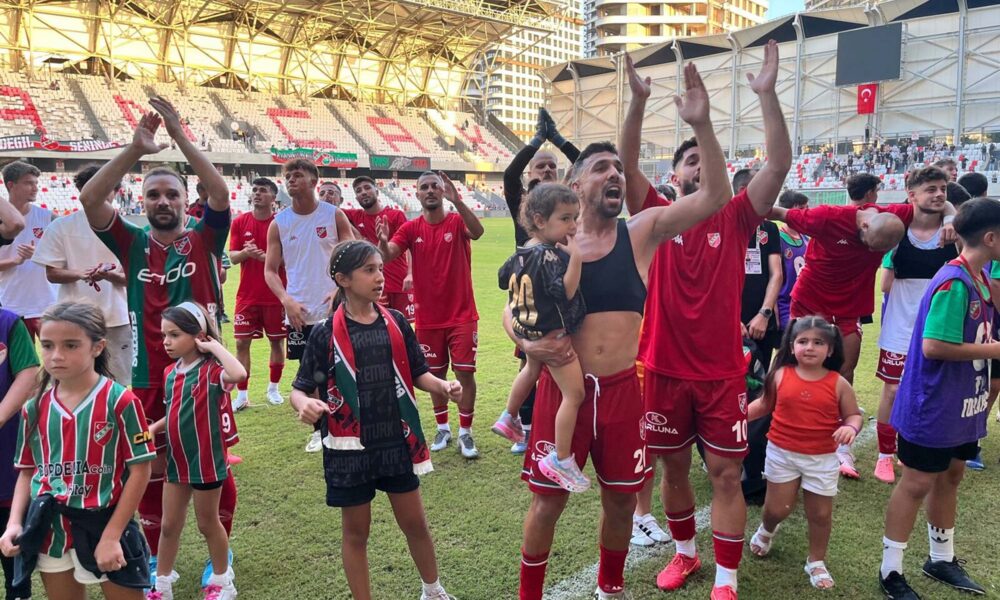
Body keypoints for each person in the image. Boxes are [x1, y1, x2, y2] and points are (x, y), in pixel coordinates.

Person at [513, 58, 734, 600]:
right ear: (573, 185)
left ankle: (609, 588)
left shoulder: (642, 232)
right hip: (560, 391)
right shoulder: (546, 246)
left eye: (618, 168)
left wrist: (702, 124)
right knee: (547, 502)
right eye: (601, 168)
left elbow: (715, 198)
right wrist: (522, 340)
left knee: (619, 501)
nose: (614, 174)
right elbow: (513, 310)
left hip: (618, 394)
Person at [622, 42, 792, 599]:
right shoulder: (654, 215)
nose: (698, 165)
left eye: (706, 157)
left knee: (725, 473)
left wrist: (765, 94)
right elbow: (627, 167)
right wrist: (637, 104)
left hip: (720, 372)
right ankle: (686, 555)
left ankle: (726, 579)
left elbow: (778, 165)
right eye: (689, 159)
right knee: (672, 471)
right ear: (673, 175)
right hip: (662, 368)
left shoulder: (739, 216)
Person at [78, 97, 238, 588]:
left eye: (172, 194)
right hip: (148, 375)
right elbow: (90, 200)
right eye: (153, 195)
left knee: (213, 467)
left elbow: (219, 192)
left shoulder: (205, 238)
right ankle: (154, 560)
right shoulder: (131, 242)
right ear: (142, 202)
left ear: (185, 201)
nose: (163, 202)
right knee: (149, 465)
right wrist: (135, 149)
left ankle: (220, 559)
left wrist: (179, 135)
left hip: (203, 375)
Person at [289, 241, 459, 600]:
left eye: (380, 268)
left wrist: (442, 386)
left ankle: (433, 590)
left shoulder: (395, 322)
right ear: (343, 279)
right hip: (348, 448)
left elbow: (418, 373)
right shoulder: (324, 333)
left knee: (416, 524)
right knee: (356, 533)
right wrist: (304, 404)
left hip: (395, 440)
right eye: (369, 270)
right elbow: (300, 388)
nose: (380, 277)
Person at [768, 172, 950, 478]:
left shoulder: (897, 214)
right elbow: (773, 211)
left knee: (845, 369)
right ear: (864, 227)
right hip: (810, 302)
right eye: (869, 245)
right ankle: (774, 422)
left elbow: (941, 203)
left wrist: (951, 219)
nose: (871, 253)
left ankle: (841, 445)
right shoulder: (826, 217)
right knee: (790, 365)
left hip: (850, 308)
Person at [878, 198, 1000, 600]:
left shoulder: (980, 278)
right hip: (932, 403)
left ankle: (940, 558)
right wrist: (995, 350)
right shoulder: (955, 282)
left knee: (951, 475)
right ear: (991, 238)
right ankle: (890, 570)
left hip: (962, 402)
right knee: (916, 482)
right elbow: (933, 346)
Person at [0, 302, 155, 600]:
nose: (56, 355)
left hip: (105, 524)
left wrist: (112, 535)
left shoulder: (121, 401)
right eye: (48, 345)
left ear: (98, 347)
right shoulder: (33, 408)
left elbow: (141, 470)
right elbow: (28, 472)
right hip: (51, 530)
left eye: (70, 345)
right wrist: (15, 522)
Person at [746, 317, 862, 590]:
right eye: (803, 341)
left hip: (821, 458)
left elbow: (853, 415)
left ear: (830, 349)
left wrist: (850, 428)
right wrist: (734, 419)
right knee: (777, 508)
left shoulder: (838, 383)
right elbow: (763, 405)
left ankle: (816, 560)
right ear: (791, 346)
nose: (810, 347)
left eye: (818, 342)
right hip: (782, 454)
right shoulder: (779, 375)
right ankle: (767, 529)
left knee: (820, 514)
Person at [377, 171, 484, 459]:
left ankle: (465, 432)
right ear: (417, 194)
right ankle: (442, 428)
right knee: (435, 375)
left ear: (442, 190)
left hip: (462, 314)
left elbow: (478, 232)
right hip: (428, 319)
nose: (430, 190)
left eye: (435, 186)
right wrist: (382, 242)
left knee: (464, 373)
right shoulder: (411, 228)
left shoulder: (456, 221)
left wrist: (458, 201)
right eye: (424, 187)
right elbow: (387, 255)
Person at [148, 302, 245, 600]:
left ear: (198, 336)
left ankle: (222, 582)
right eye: (164, 335)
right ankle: (162, 585)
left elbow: (239, 373)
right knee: (169, 526)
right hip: (177, 462)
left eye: (175, 335)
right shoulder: (169, 373)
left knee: (207, 524)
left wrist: (213, 346)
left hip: (206, 462)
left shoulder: (213, 372)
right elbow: (175, 412)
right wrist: (153, 429)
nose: (167, 342)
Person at [495, 183, 587, 492]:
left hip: (528, 328)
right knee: (574, 395)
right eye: (565, 218)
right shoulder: (549, 256)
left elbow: (501, 279)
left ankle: (508, 415)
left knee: (530, 370)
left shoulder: (521, 252)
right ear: (539, 220)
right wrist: (576, 258)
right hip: (552, 335)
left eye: (575, 218)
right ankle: (561, 458)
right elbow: (566, 291)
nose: (573, 226)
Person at [503, 108, 580, 454]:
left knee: (557, 363)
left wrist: (558, 139)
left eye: (552, 166)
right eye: (541, 166)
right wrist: (537, 140)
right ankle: (527, 426)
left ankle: (543, 427)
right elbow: (510, 174)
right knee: (531, 361)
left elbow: (583, 163)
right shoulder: (526, 207)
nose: (547, 169)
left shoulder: (566, 207)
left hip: (560, 290)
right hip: (535, 294)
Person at [873, 167, 957, 484]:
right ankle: (884, 455)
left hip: (939, 326)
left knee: (933, 389)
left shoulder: (954, 233)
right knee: (893, 390)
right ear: (912, 195)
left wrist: (951, 217)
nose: (939, 195)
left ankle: (918, 447)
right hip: (900, 325)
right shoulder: (898, 232)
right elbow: (885, 283)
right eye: (931, 189)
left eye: (943, 189)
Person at [264, 159, 353, 453]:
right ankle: (319, 430)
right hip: (299, 313)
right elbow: (270, 270)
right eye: (288, 175)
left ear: (314, 181)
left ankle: (350, 422)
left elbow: (352, 255)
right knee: (311, 374)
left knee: (344, 368)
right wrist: (286, 300)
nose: (291, 179)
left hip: (335, 309)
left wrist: (339, 290)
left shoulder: (333, 215)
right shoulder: (279, 223)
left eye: (297, 175)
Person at [32, 165, 133, 384]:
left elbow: (133, 277)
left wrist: (110, 276)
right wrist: (80, 273)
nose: (100, 194)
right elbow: (52, 273)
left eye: (106, 188)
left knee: (116, 382)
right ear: (82, 192)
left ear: (116, 191)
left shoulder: (128, 229)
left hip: (116, 317)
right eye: (94, 188)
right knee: (68, 380)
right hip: (72, 317)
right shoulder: (61, 227)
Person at [229, 177, 286, 409]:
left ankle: (273, 389)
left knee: (277, 342)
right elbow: (233, 257)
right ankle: (242, 395)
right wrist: (247, 253)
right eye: (254, 190)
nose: (257, 193)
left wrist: (266, 259)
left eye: (262, 190)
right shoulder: (240, 222)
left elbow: (290, 259)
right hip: (247, 296)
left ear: (273, 197)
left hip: (275, 295)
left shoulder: (282, 223)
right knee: (241, 343)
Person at [0, 305, 38, 600]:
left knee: (12, 542)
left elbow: (27, 373)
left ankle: (19, 593)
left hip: (6, 449)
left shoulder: (8, 323)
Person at [344, 176, 414, 322]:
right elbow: (333, 212)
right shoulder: (355, 216)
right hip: (374, 287)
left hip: (400, 284)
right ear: (356, 198)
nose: (363, 192)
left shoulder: (395, 215)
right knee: (380, 328)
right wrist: (356, 233)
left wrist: (410, 274)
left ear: (377, 191)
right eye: (358, 190)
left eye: (367, 188)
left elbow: (409, 247)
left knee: (406, 328)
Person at [0, 161, 57, 341]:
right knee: (20, 358)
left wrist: (39, 254)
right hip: (12, 304)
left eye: (36, 183)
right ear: (11, 185)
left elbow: (65, 257)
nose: (35, 188)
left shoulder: (49, 218)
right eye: (28, 183)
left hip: (48, 303)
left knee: (56, 356)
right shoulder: (4, 222)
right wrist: (15, 261)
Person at [735, 168, 783, 366]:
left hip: (761, 323)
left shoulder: (769, 228)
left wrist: (764, 314)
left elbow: (776, 274)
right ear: (744, 190)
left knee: (759, 377)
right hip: (727, 321)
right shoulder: (722, 225)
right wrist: (731, 319)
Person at [776, 191, 809, 330]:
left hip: (807, 306)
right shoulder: (777, 239)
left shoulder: (806, 239)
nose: (806, 213)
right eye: (802, 208)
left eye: (807, 208)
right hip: (786, 307)